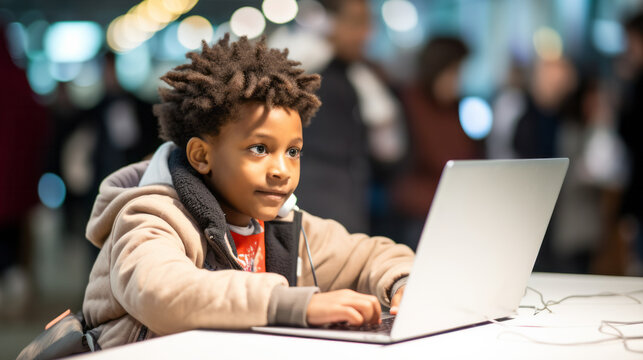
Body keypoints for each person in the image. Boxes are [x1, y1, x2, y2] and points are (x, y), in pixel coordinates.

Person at [80, 35, 414, 349]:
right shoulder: (151, 217)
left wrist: (401, 284)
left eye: (293, 152)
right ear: (201, 156)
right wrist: (294, 304)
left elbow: (369, 255)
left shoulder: (283, 226)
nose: (281, 170)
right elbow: (160, 291)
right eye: (259, 148)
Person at [296, 0, 406, 234]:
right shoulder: (305, 74)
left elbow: (389, 150)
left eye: (368, 23)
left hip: (351, 207)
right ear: (325, 23)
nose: (366, 33)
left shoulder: (361, 76)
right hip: (315, 212)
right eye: (357, 23)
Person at [392, 36, 482, 250]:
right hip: (420, 213)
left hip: (454, 208)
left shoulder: (455, 108)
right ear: (436, 69)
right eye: (454, 72)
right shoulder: (408, 103)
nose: (458, 81)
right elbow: (439, 157)